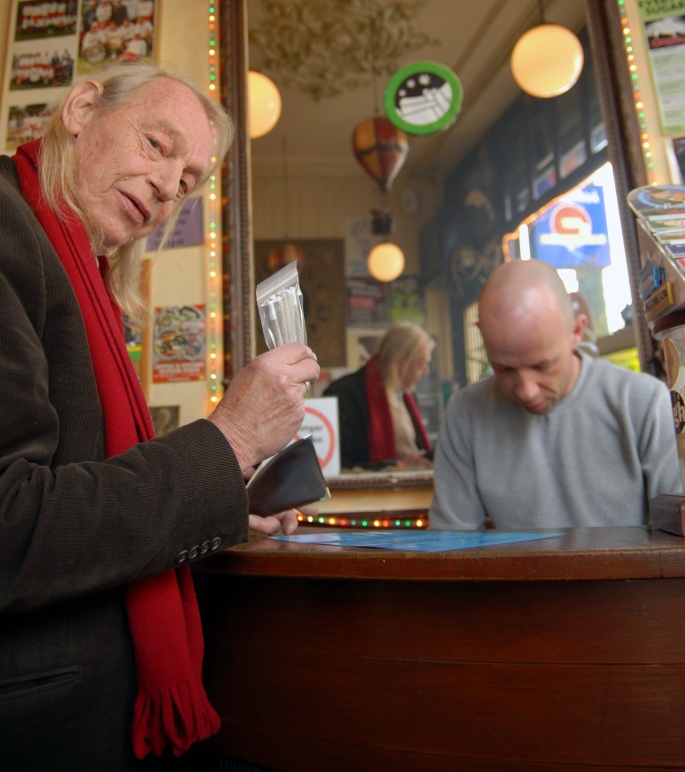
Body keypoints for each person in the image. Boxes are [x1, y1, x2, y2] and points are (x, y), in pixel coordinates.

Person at [0, 63, 320, 771]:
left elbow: (81, 482)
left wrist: (224, 502)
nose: (170, 185)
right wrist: (228, 438)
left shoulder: (81, 267)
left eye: (189, 179)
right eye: (156, 144)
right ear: (83, 107)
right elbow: (11, 524)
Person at [430, 259, 681, 531]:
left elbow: (677, 537)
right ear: (483, 336)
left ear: (576, 330)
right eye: (504, 368)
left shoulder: (643, 402)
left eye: (542, 366)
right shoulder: (466, 412)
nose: (526, 391)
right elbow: (453, 543)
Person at [324, 323, 434, 469]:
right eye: (421, 365)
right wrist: (399, 465)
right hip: (373, 489)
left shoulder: (408, 396)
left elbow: (418, 450)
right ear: (401, 362)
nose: (426, 373)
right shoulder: (345, 395)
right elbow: (341, 465)